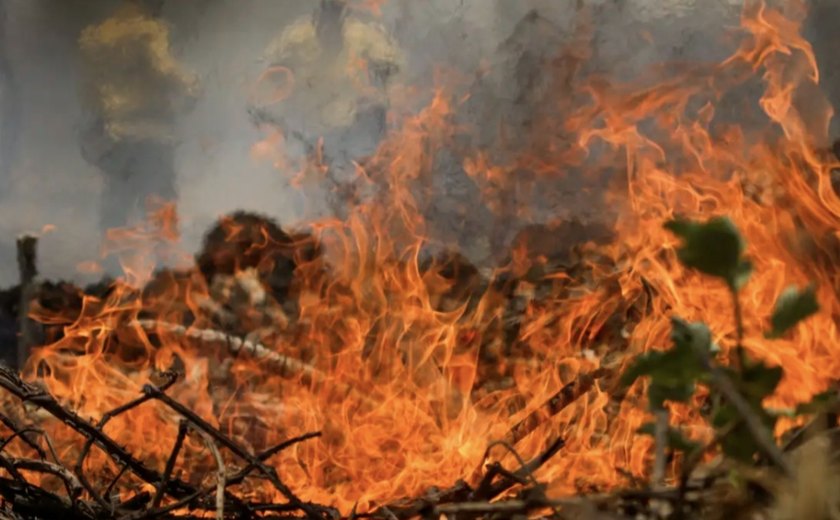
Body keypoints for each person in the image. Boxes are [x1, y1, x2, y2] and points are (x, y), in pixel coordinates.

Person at [249, 0, 403, 216]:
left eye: (336, 11)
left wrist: (386, 102)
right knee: (309, 195)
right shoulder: (297, 36)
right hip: (307, 130)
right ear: (318, 14)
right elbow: (266, 69)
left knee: (356, 192)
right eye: (327, 12)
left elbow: (393, 69)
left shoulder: (363, 36)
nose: (330, 20)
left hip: (353, 129)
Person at [77, 0, 197, 233]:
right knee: (158, 200)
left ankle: (111, 255)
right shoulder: (146, 32)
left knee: (117, 196)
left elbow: (89, 89)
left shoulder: (98, 36)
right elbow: (164, 70)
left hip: (116, 129)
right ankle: (163, 261)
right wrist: (193, 88)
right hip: (151, 130)